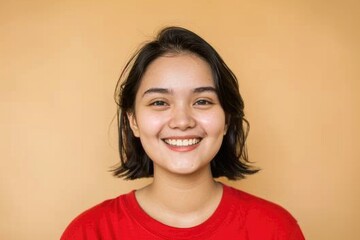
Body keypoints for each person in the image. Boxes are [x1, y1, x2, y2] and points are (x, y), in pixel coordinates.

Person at [61, 26, 305, 239]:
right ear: (133, 121)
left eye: (202, 101)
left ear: (227, 119)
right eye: (159, 102)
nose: (182, 121)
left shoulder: (275, 230)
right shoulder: (89, 233)